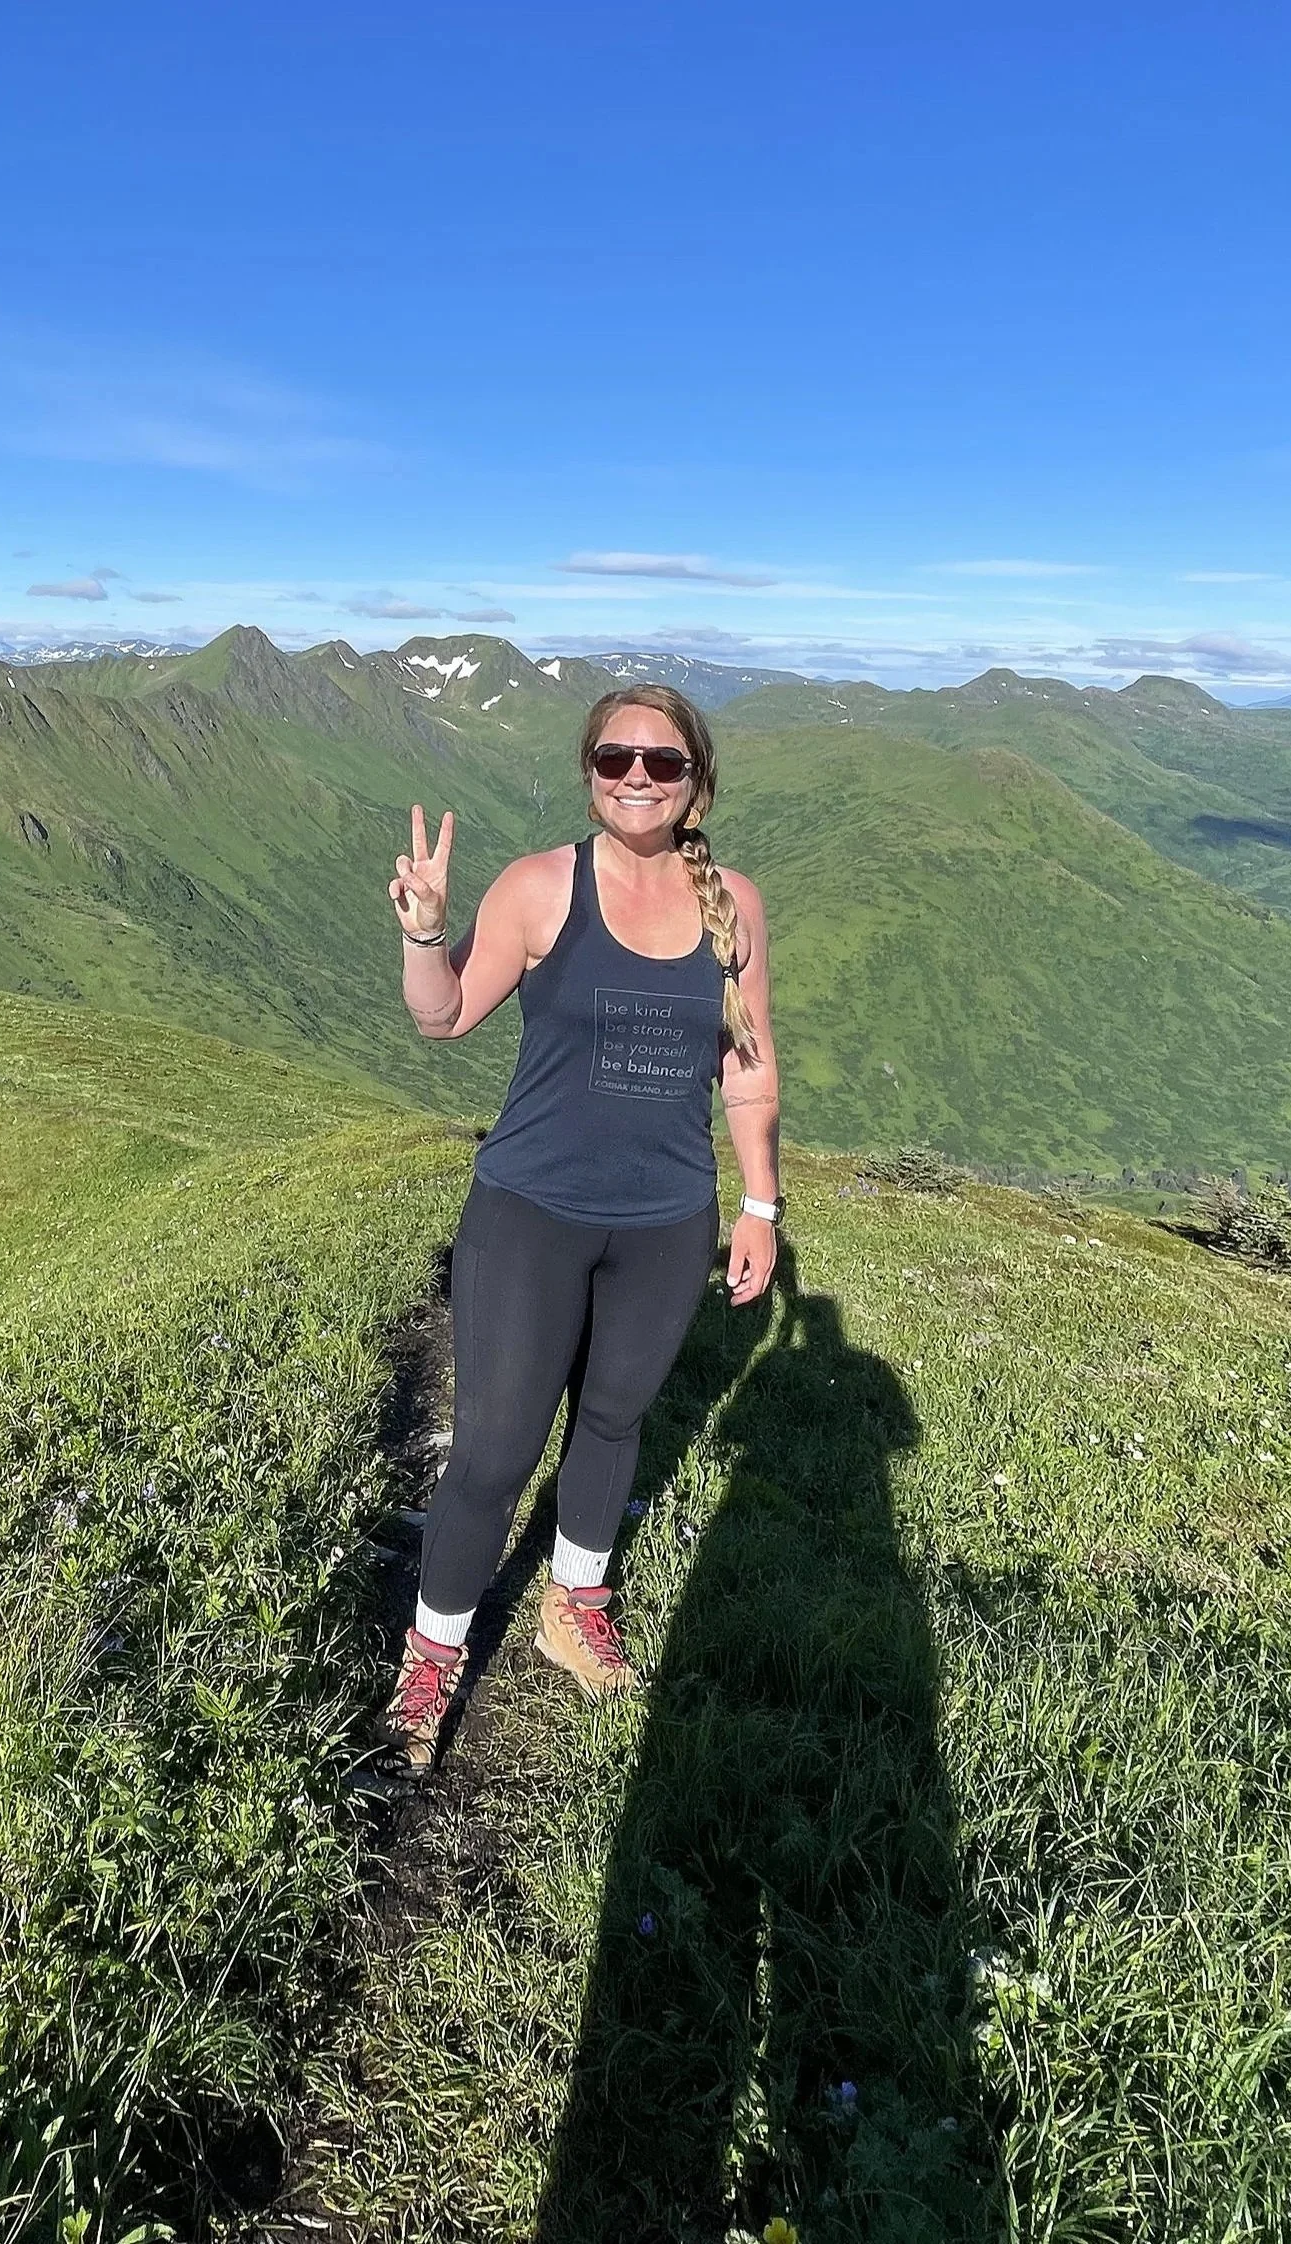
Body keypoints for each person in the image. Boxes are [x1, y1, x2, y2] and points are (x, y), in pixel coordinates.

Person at [380, 685, 782, 1773]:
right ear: (590, 772)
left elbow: (746, 1066)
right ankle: (433, 1658)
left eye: (660, 763)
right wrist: (425, 932)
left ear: (696, 778)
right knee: (497, 1454)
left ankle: (574, 1603)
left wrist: (759, 1203)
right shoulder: (540, 888)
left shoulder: (731, 903)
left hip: (664, 1222)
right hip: (529, 1215)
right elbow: (443, 1013)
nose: (636, 779)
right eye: (615, 759)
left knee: (612, 1424)